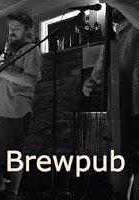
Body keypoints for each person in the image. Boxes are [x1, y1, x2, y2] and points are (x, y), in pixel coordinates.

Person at [0, 12, 42, 200]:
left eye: (17, 27)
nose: (11, 31)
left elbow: (29, 81)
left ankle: (13, 193)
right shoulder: (7, 51)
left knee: (13, 154)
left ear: (27, 30)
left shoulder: (31, 50)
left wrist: (0, 73)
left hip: (15, 110)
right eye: (10, 27)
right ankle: (0, 186)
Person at [82, 0, 139, 199]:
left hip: (137, 108)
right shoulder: (113, 36)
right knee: (120, 168)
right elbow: (98, 73)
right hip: (120, 112)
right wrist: (91, 82)